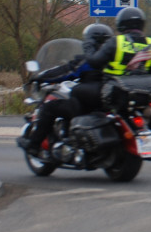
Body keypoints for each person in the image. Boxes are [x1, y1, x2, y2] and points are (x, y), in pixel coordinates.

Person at [16, 23, 115, 156]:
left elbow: (65, 72)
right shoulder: (115, 60)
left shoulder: (88, 61)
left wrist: (41, 77)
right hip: (108, 103)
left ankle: (33, 145)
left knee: (49, 108)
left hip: (86, 104)